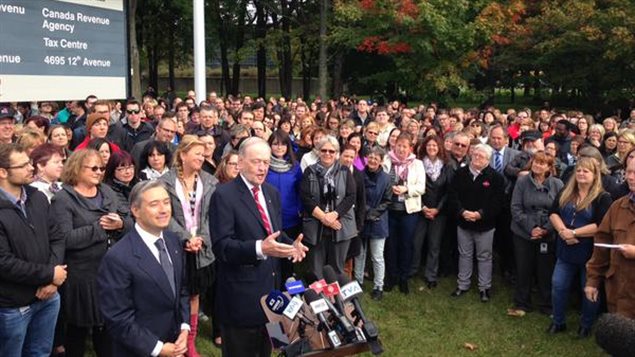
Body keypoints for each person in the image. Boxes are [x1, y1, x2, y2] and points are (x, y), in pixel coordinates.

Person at [209, 137, 307, 357]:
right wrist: (260, 249)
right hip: (241, 301)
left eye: (266, 161)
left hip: (272, 299)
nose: (263, 167)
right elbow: (222, 247)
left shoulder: (271, 193)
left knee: (268, 350)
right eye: (256, 162)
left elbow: (274, 233)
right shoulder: (223, 196)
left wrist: (292, 246)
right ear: (240, 163)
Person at [50, 149, 133, 356]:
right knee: (77, 332)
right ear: (77, 168)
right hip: (81, 277)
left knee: (107, 331)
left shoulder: (107, 191)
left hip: (111, 272)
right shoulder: (63, 199)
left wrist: (121, 224)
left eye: (102, 168)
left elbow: (131, 222)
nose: (99, 172)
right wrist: (100, 228)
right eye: (94, 168)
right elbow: (65, 239)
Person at [97, 181, 190, 357]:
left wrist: (184, 328)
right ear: (135, 210)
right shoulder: (118, 258)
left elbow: (182, 290)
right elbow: (118, 318)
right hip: (139, 350)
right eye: (154, 204)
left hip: (175, 344)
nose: (163, 209)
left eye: (166, 202)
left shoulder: (173, 241)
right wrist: (157, 349)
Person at [0, 143, 65, 357]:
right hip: (13, 304)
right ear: (3, 172)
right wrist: (49, 274)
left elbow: (56, 237)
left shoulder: (37, 197)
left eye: (30, 163)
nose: (31, 168)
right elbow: (4, 262)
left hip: (48, 297)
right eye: (24, 165)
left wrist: (52, 280)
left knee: (40, 352)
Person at [160, 135, 218, 357]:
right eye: (197, 154)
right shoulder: (165, 182)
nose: (201, 158)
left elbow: (212, 214)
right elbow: (166, 214)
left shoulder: (210, 181)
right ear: (182, 155)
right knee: (174, 294)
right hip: (176, 245)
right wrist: (185, 237)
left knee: (194, 295)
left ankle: (190, 342)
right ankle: (173, 336)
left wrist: (200, 238)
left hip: (201, 248)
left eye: (203, 155)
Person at [548, 157, 612, 338]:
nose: (581, 174)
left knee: (589, 289)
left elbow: (601, 225)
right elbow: (553, 212)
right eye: (579, 170)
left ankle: (586, 324)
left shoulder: (602, 197)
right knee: (558, 285)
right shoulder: (566, 191)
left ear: (595, 175)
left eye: (586, 171)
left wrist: (574, 233)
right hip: (565, 249)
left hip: (589, 254)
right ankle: (558, 321)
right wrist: (563, 231)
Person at [448, 144, 504, 302]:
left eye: (481, 156)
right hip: (463, 222)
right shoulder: (460, 173)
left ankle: (484, 287)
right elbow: (453, 195)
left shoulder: (496, 178)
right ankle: (463, 284)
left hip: (484, 226)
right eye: (475, 155)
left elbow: (497, 202)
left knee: (484, 256)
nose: (477, 158)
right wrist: (462, 212)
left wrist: (480, 214)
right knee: (464, 254)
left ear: (488, 159)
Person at [510, 151, 563, 314]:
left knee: (545, 269)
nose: (537, 165)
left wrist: (545, 229)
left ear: (548, 167)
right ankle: (522, 302)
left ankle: (547, 303)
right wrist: (532, 228)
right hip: (523, 231)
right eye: (535, 162)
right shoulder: (522, 182)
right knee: (523, 267)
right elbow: (516, 207)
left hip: (548, 231)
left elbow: (560, 210)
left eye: (541, 163)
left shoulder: (558, 184)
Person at [586, 158, 635, 319]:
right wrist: (593, 280)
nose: (630, 177)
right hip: (618, 294)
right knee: (620, 339)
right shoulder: (618, 206)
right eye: (628, 171)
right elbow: (601, 244)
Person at [301, 135, 357, 277]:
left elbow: (351, 197)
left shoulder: (345, 171)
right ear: (318, 151)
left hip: (340, 226)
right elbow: (306, 198)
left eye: (331, 151)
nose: (327, 154)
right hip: (316, 226)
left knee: (337, 270)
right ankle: (318, 298)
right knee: (315, 270)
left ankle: (335, 298)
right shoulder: (309, 171)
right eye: (324, 150)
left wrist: (334, 215)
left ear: (337, 153)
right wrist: (324, 218)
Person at [383, 132, 426, 294]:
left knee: (407, 244)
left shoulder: (417, 164)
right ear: (394, 145)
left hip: (409, 211)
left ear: (410, 148)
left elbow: (421, 187)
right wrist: (390, 189)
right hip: (390, 209)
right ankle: (392, 276)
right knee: (391, 244)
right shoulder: (387, 160)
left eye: (404, 146)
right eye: (399, 145)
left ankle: (403, 277)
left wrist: (406, 189)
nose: (401, 149)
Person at [412, 135, 452, 288]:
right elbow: (414, 186)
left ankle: (431, 275)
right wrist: (423, 208)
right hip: (421, 209)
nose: (431, 148)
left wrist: (437, 209)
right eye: (429, 145)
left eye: (435, 145)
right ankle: (413, 269)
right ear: (424, 147)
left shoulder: (447, 165)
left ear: (439, 147)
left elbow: (448, 191)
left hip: (439, 212)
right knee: (417, 242)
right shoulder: (418, 164)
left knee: (434, 245)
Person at [355, 146, 392, 300]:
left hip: (378, 221)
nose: (372, 160)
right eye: (370, 157)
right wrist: (365, 212)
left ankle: (378, 286)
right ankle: (358, 282)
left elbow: (387, 200)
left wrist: (373, 213)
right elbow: (356, 196)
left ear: (381, 161)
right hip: (362, 219)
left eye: (376, 158)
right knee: (360, 254)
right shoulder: (359, 175)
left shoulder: (386, 178)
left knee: (377, 256)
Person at [266, 131, 303, 280]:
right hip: (269, 218)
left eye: (283, 144)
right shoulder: (265, 165)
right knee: (272, 255)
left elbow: (301, 190)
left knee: (288, 254)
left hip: (291, 218)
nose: (279, 147)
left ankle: (288, 285)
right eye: (275, 144)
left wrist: (299, 210)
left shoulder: (295, 167)